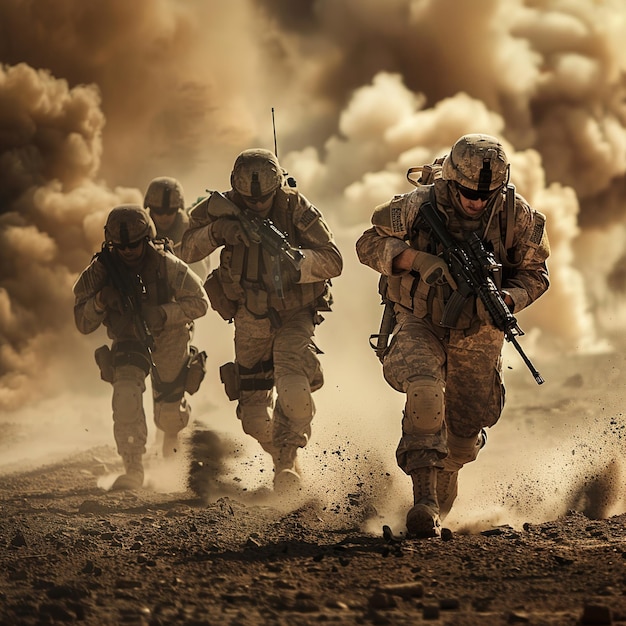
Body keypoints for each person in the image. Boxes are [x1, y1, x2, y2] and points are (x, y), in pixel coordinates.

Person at [356, 134, 550, 537]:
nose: (476, 201)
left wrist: (507, 299)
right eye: (466, 192)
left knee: (463, 434)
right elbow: (367, 243)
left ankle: (440, 498)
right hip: (419, 318)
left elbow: (536, 275)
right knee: (425, 391)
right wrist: (414, 259)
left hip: (478, 327)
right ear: (450, 180)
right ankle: (423, 501)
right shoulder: (420, 204)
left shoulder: (518, 216)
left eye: (485, 195)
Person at [180, 148, 343, 492]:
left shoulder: (295, 208)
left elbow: (333, 260)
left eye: (265, 199)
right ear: (236, 191)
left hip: (294, 315)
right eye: (248, 200)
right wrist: (220, 231)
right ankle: (282, 456)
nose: (256, 205)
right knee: (253, 418)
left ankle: (286, 462)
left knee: (293, 388)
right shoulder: (221, 206)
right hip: (250, 317)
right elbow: (185, 250)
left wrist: (297, 264)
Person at [73, 205, 209, 490]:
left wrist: (162, 313)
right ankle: (133, 468)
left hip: (169, 337)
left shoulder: (166, 264)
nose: (127, 251)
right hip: (128, 338)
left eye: (134, 244)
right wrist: (100, 302)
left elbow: (200, 303)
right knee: (126, 395)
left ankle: (172, 451)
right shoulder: (101, 269)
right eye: (119, 246)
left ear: (147, 238)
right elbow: (83, 322)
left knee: (169, 415)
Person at [144, 176, 210, 281]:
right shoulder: (140, 230)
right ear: (149, 208)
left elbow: (199, 275)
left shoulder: (189, 232)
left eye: (170, 211)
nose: (164, 216)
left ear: (178, 209)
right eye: (158, 211)